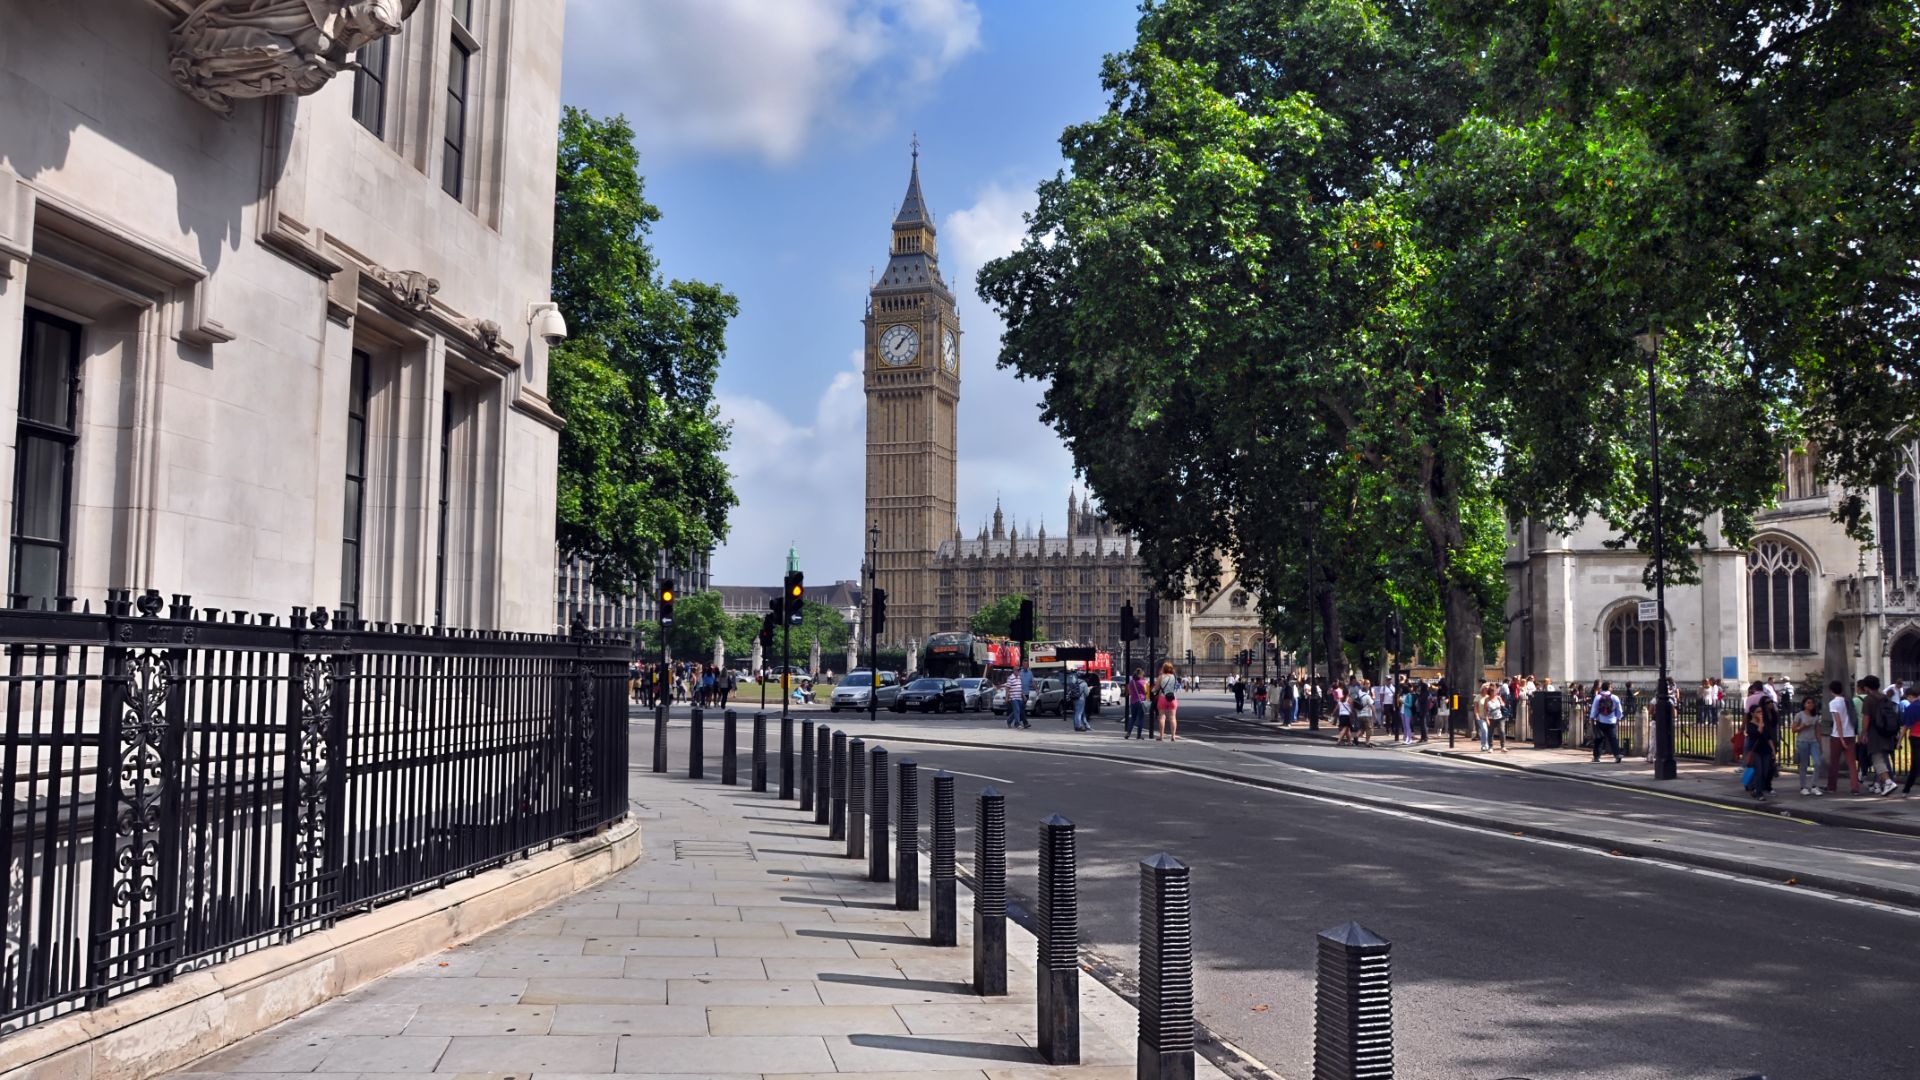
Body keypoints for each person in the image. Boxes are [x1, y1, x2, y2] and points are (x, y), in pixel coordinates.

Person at [1858, 675, 1902, 795]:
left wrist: (1863, 733)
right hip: (1887, 731)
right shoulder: (1885, 697)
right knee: (1883, 757)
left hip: (1875, 732)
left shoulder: (1869, 699)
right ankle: (1880, 783)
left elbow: (1866, 718)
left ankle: (1888, 782)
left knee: (1876, 757)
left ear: (1866, 687)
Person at [1742, 681, 1778, 800]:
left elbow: (1767, 737)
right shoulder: (1752, 725)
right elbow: (1758, 732)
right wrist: (1760, 722)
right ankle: (1756, 791)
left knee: (1764, 771)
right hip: (1756, 749)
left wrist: (1773, 750)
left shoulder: (1751, 699)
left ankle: (1756, 787)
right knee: (1757, 769)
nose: (1760, 714)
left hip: (1766, 749)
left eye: (1761, 712)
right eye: (1758, 712)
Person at [1825, 679, 1861, 795]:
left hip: (1837, 735)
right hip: (1850, 733)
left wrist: (1840, 738)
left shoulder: (1833, 703)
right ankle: (1855, 787)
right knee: (1851, 763)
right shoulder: (1848, 701)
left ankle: (1832, 787)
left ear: (1831, 690)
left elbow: (1838, 721)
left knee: (1834, 762)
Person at [1792, 694, 1824, 796]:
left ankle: (1814, 786)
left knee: (1818, 763)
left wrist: (1820, 744)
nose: (1810, 705)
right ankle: (1803, 787)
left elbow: (1818, 731)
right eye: (1808, 703)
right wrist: (1802, 726)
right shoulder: (1799, 715)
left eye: (1812, 703)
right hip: (1803, 742)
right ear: (1804, 704)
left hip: (1813, 742)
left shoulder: (1816, 716)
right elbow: (1793, 729)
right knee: (1804, 765)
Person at [1590, 680, 1623, 762]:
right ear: (1609, 688)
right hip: (1611, 721)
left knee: (1599, 739)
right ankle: (1617, 755)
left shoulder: (1598, 697)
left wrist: (1592, 719)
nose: (1612, 688)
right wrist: (1618, 719)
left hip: (1600, 721)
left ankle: (1596, 757)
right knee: (1613, 739)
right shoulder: (1615, 697)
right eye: (1611, 687)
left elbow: (1594, 710)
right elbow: (1619, 711)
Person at [1156, 662, 1181, 741]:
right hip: (1172, 698)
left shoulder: (1161, 677)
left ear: (1164, 668)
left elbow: (1156, 688)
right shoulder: (1174, 677)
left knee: (1162, 717)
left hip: (1163, 697)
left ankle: (1161, 736)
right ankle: (1173, 736)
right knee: (1173, 717)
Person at [1902, 684, 1920, 796]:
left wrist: (1899, 741)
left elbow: (1906, 726)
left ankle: (1906, 789)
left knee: (1915, 764)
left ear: (1910, 696)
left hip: (1915, 737)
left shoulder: (1910, 708)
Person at [1125, 667, 1149, 740]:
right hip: (1141, 702)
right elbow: (1146, 692)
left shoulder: (1131, 682)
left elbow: (1129, 692)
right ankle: (1139, 735)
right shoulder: (1143, 682)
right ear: (1141, 675)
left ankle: (1128, 733)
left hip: (1133, 702)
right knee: (1140, 719)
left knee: (1133, 718)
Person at [1004, 664, 1030, 730]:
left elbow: (1020, 688)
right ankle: (1017, 724)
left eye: (1019, 671)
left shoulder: (1019, 678)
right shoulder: (1010, 678)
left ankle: (1009, 720)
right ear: (1014, 671)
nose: (1019, 672)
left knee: (1017, 710)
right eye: (1018, 670)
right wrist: (1006, 697)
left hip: (1019, 697)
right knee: (1017, 710)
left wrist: (1023, 696)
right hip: (1013, 697)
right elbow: (1007, 688)